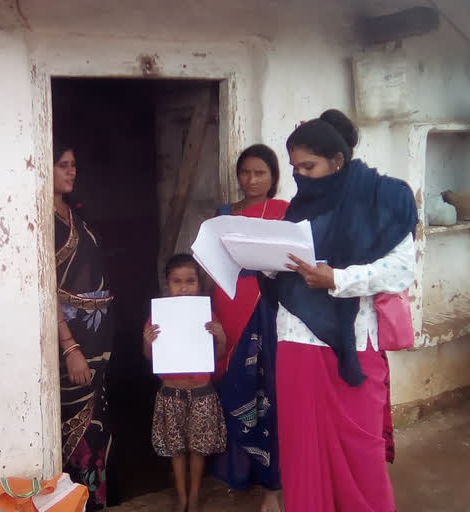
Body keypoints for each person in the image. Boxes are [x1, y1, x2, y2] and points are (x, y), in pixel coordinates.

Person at [261, 109, 417, 511]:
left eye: (309, 166)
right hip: (296, 337)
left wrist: (338, 279)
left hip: (354, 341)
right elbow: (290, 267)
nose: (301, 176)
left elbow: (401, 269)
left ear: (338, 160)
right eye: (295, 168)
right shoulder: (301, 206)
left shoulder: (384, 197)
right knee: (302, 450)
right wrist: (263, 259)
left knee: (361, 455)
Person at [207, 144, 289, 512]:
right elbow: (212, 262)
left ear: (273, 178)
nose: (252, 180)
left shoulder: (284, 213)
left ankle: (272, 484)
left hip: (269, 310)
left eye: (261, 173)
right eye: (246, 172)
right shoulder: (223, 215)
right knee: (235, 388)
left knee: (267, 392)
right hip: (229, 307)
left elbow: (294, 261)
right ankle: (238, 474)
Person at [54, 142, 114, 511]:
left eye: (73, 165)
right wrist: (70, 347)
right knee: (73, 427)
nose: (71, 171)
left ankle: (95, 502)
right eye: (62, 165)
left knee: (99, 426)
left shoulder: (73, 213)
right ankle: (74, 503)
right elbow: (45, 289)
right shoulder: (39, 217)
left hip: (98, 340)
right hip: (71, 343)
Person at [143, 254, 227, 512]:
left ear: (199, 284)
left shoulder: (207, 315)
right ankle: (181, 495)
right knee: (176, 449)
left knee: (198, 450)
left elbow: (218, 356)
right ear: (166, 284)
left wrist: (221, 336)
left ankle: (194, 495)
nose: (183, 287)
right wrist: (147, 340)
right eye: (177, 281)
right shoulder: (159, 317)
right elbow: (150, 357)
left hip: (201, 392)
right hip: (171, 393)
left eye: (190, 281)